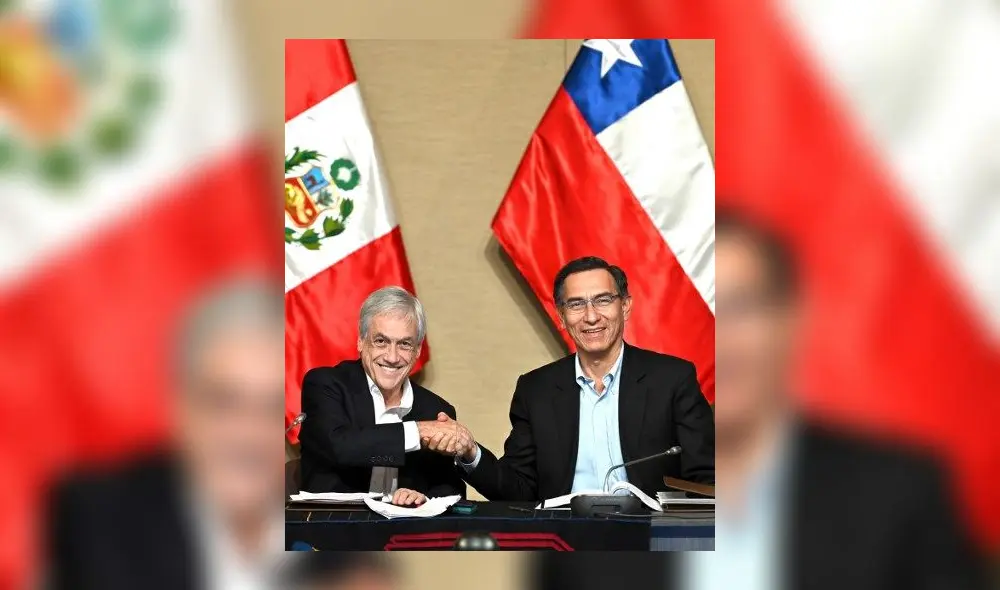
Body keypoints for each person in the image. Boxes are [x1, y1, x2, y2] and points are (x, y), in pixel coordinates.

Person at [684, 209, 990, 590]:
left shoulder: (898, 496)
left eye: (740, 307)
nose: (720, 339)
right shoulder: (619, 499)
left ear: (790, 320)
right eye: (698, 311)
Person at [47, 277, 286, 590]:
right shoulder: (97, 524)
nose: (250, 435)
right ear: (180, 409)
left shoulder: (347, 525)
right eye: (224, 404)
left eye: (274, 408)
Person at [425, 257, 715, 501]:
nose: (591, 317)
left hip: (653, 539)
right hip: (564, 540)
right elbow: (517, 489)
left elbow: (707, 479)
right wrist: (470, 451)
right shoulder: (536, 390)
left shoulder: (672, 379)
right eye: (576, 304)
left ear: (625, 306)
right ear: (562, 316)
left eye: (603, 300)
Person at [297, 286, 464, 506]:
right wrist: (417, 432)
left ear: (417, 350)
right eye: (381, 341)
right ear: (361, 341)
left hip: (403, 533)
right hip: (333, 528)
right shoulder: (325, 385)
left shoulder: (436, 410)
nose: (392, 357)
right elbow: (340, 446)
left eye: (404, 344)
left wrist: (424, 499)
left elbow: (450, 489)